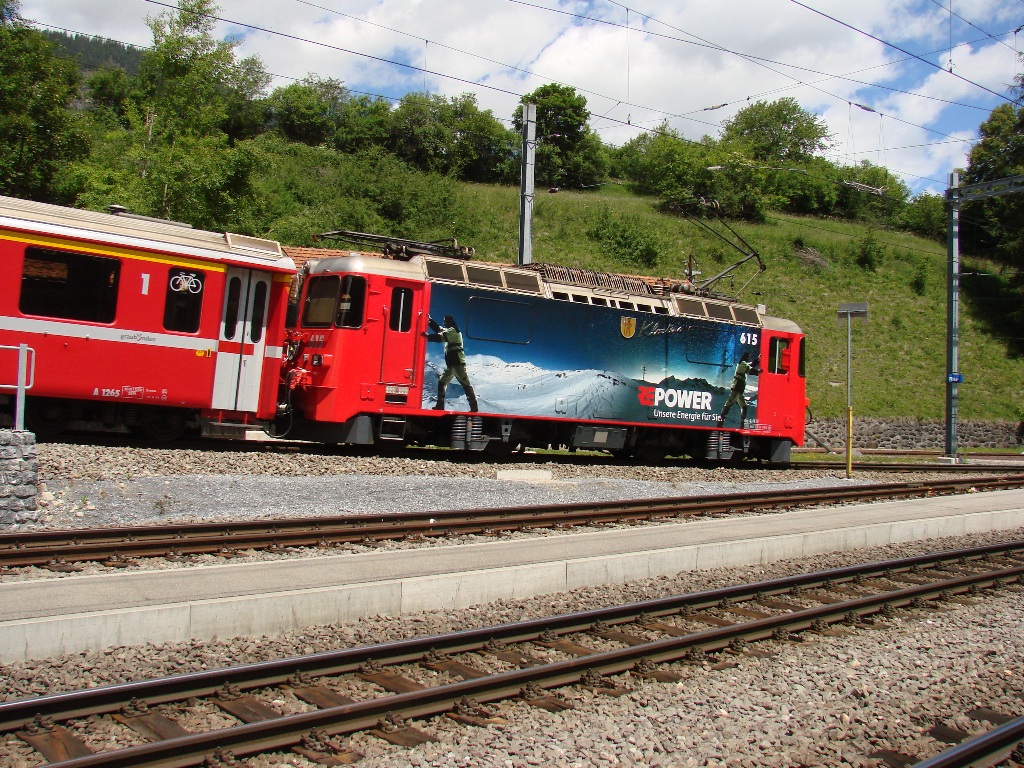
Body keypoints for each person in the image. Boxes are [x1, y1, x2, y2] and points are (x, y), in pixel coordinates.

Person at [425, 314, 478, 412]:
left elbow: (440, 336)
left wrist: (427, 337)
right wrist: (430, 321)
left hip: (457, 363)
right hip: (451, 364)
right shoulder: (449, 330)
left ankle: (474, 408)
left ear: (449, 321)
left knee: (466, 384)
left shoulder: (454, 330)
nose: (444, 323)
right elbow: (439, 330)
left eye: (445, 321)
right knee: (442, 382)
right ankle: (440, 406)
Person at [719, 352, 759, 425]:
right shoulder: (743, 364)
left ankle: (742, 423)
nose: (748, 358)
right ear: (745, 357)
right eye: (748, 356)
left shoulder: (742, 363)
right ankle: (720, 422)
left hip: (739, 389)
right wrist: (759, 372)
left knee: (744, 406)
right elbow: (750, 369)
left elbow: (751, 364)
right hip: (737, 388)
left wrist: (758, 359)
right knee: (729, 403)